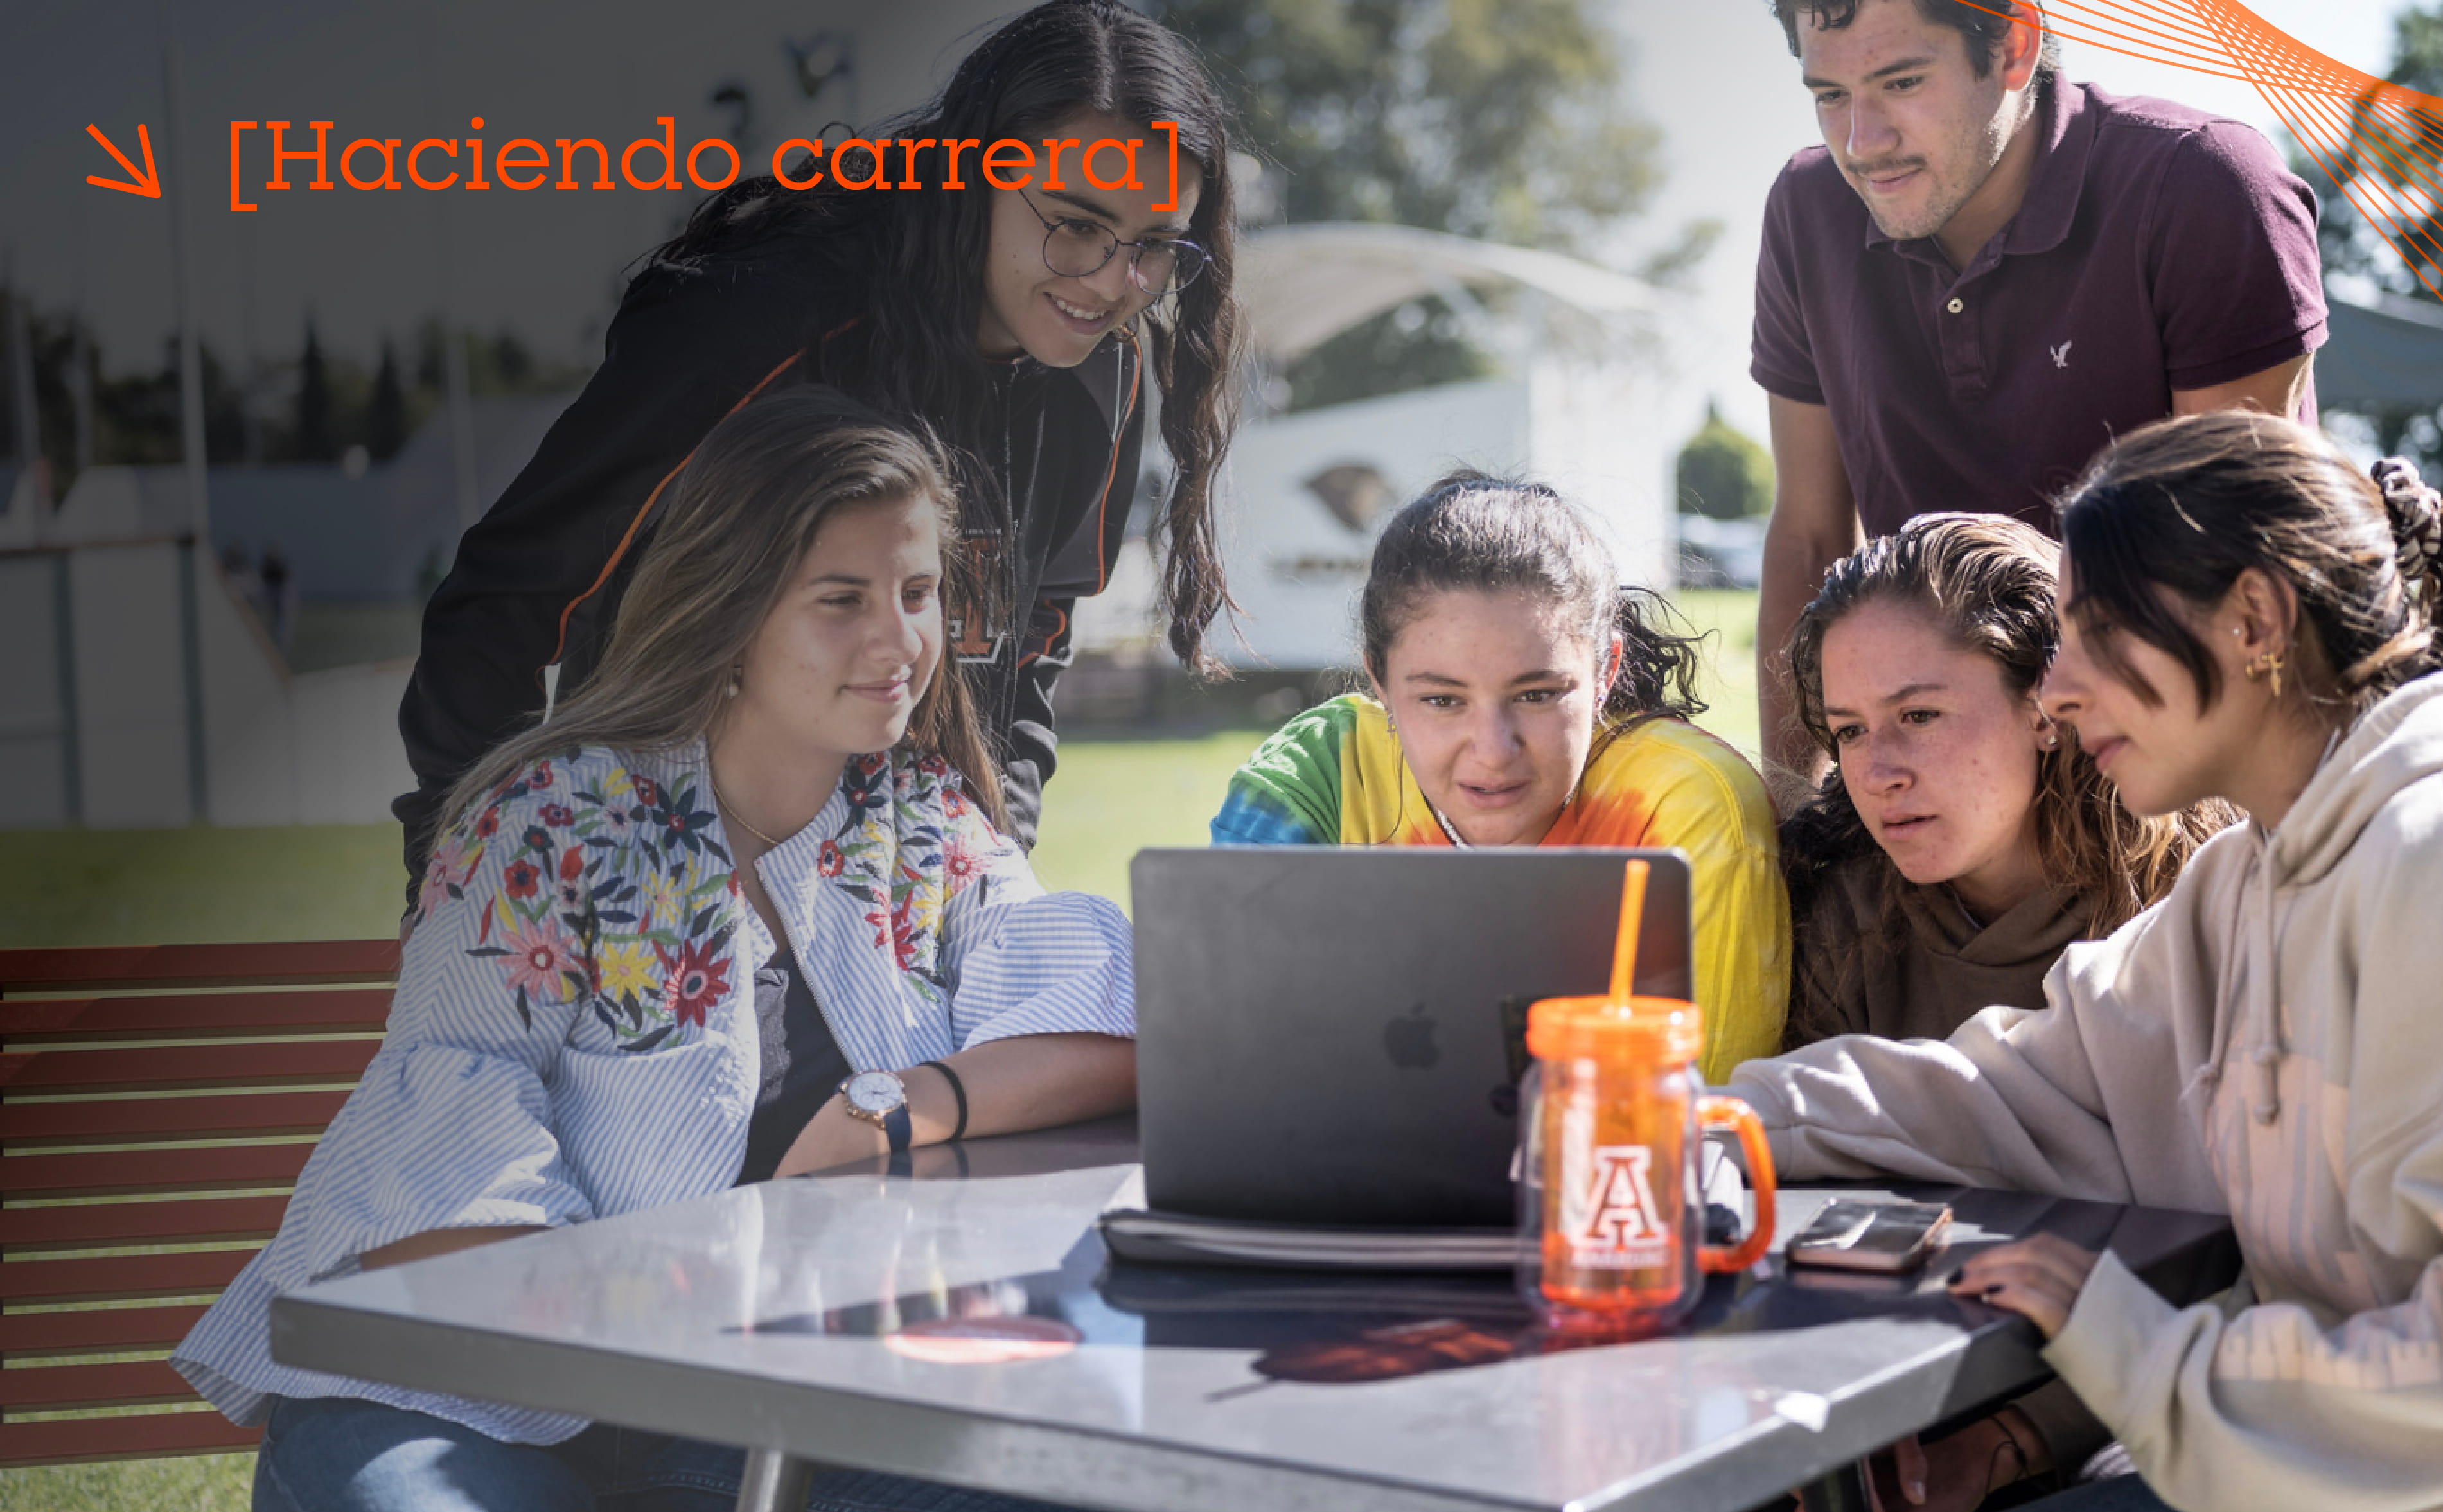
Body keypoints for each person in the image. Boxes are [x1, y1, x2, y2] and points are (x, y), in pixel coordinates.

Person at [1731, 411, 2443, 1510]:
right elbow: (2018, 1082)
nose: (2063, 684)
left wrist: (2136, 1344)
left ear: (2254, 620)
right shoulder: (2254, 880)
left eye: (2097, 629)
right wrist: (1705, 1120)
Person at [175, 389, 1138, 1512]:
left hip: (747, 1415)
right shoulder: (551, 821)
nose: (901, 641)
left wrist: (899, 1103)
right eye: (843, 599)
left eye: (917, 592)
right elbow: (439, 1205)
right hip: (442, 1394)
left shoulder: (914, 816)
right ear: (730, 610)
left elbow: (1104, 1020)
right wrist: (691, 1299)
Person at [396, 0, 1244, 902]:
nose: (1117, 283)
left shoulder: (1101, 377)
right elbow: (505, 606)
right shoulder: (759, 322)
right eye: (1075, 224)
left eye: (1155, 246)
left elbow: (1027, 665)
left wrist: (990, 883)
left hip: (895, 915)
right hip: (651, 889)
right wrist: (467, 883)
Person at [1749, 0, 2329, 773]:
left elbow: (2229, 558)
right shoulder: (1806, 210)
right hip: (1934, 772)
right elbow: (1810, 537)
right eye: (1830, 95)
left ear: (2014, 46)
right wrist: (1794, 823)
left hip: (2179, 767)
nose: (1864, 142)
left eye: (1903, 82)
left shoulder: (2200, 184)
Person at [1211, 472, 1790, 1082]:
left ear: (1607, 671)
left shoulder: (1687, 803)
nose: (1493, 751)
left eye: (1537, 694)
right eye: (1442, 700)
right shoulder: (1320, 775)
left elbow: (1702, 1121)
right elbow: (1237, 1059)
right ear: (1378, 681)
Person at [1779, 511, 2229, 1047]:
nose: (1878, 775)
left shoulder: (2200, 901)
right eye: (1850, 731)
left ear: (2047, 706)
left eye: (1919, 716)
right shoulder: (1844, 928)